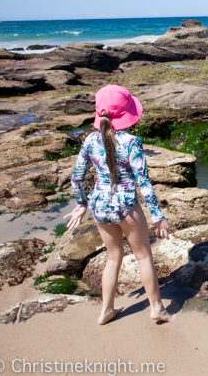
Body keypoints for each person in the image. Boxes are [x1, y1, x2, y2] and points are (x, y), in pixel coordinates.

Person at [63, 84, 176, 325]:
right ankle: (156, 308)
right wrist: (158, 216)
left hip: (99, 206)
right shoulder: (132, 142)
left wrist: (82, 204)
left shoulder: (90, 141)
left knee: (113, 258)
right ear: (127, 114)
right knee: (143, 256)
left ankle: (106, 310)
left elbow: (76, 176)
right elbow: (143, 183)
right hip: (125, 205)